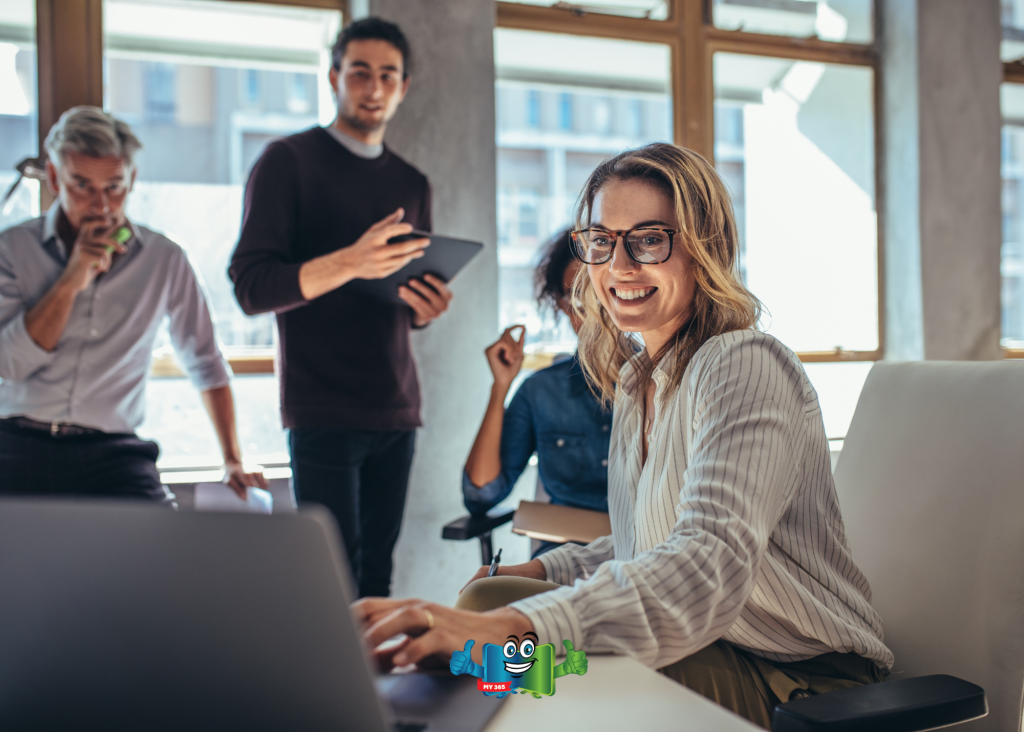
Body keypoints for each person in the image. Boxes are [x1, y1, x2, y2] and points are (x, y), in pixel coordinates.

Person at [354, 143, 893, 729]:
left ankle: (481, 692)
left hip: (796, 677)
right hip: (710, 650)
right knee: (489, 609)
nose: (619, 267)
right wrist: (542, 573)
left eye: (649, 239)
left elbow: (704, 562)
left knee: (530, 663)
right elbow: (646, 542)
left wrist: (515, 629)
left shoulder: (746, 363)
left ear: (705, 247)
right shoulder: (638, 382)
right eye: (602, 241)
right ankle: (455, 700)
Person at [229, 18, 452, 599]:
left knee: (377, 581)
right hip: (321, 406)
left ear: (404, 87)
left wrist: (425, 306)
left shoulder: (413, 181)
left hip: (396, 406)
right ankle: (332, 692)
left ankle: (375, 693)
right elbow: (251, 286)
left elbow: (400, 297)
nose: (373, 87)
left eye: (387, 76)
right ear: (333, 77)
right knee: (332, 584)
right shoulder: (287, 161)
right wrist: (350, 260)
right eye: (360, 72)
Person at [0, 106, 265, 501]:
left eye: (114, 187)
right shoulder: (12, 248)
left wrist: (233, 459)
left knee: (158, 554)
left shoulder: (165, 258)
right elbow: (10, 363)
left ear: (132, 180)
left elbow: (206, 361)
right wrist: (71, 280)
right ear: (55, 178)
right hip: (16, 441)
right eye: (82, 186)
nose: (102, 206)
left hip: (113, 450)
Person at [463, 229, 611, 557]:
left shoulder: (663, 382)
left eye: (597, 293)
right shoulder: (541, 391)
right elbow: (481, 494)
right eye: (574, 298)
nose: (589, 310)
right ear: (560, 305)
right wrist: (500, 386)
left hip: (643, 560)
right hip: (560, 560)